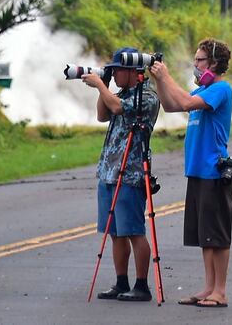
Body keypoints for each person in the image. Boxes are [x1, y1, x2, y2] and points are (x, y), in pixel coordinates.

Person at [148, 38, 232, 308]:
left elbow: (184, 102)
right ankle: (209, 287)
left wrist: (167, 75)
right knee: (204, 235)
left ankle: (220, 291)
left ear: (214, 63)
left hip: (213, 172)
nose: (195, 65)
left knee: (217, 235)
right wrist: (160, 81)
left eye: (199, 60)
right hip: (197, 171)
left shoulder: (220, 89)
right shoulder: (204, 91)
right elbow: (172, 105)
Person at [82, 47, 161, 302]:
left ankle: (141, 285)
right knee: (115, 232)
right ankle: (120, 282)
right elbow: (102, 114)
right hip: (109, 171)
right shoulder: (123, 93)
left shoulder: (146, 96)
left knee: (134, 231)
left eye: (117, 70)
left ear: (132, 71)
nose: (114, 74)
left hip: (130, 172)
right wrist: (103, 84)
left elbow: (116, 108)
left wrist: (100, 87)